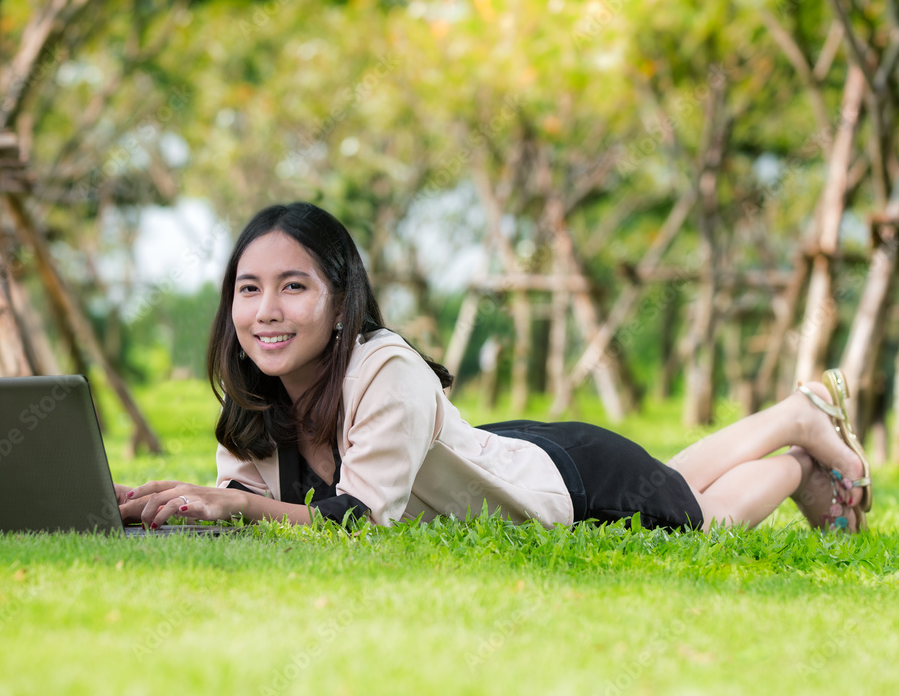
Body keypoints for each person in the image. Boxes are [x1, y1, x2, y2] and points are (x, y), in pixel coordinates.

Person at [116, 202, 873, 534]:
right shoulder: (259, 395)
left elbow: (355, 527)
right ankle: (793, 416)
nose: (266, 312)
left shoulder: (385, 367)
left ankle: (798, 455)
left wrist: (235, 510)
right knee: (669, 477)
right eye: (249, 290)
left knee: (696, 519)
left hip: (568, 484)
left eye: (293, 287)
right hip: (509, 453)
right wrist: (162, 502)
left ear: (342, 302)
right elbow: (241, 501)